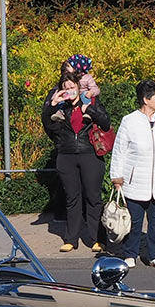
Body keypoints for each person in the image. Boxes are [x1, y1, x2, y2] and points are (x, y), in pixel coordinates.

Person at [109, 80, 155, 267]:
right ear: (146, 100)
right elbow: (119, 150)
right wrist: (117, 177)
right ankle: (130, 253)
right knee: (134, 221)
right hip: (135, 180)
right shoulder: (129, 121)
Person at [42, 71, 111, 253]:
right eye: (66, 88)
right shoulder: (60, 108)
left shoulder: (91, 103)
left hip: (89, 155)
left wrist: (90, 110)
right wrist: (52, 104)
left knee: (93, 197)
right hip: (66, 156)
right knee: (72, 199)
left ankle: (97, 238)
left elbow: (106, 122)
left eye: (72, 87)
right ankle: (71, 239)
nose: (69, 90)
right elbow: (48, 126)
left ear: (79, 87)